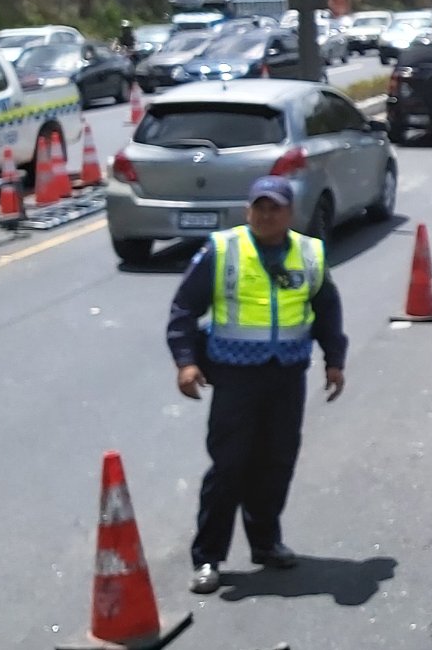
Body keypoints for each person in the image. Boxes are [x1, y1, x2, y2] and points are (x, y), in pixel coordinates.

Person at [166, 175, 347, 595]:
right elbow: (183, 310)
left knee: (276, 462)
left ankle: (266, 543)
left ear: (289, 212)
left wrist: (334, 360)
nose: (267, 215)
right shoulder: (223, 249)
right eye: (259, 207)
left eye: (276, 208)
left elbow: (326, 310)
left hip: (286, 374)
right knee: (229, 466)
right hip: (235, 376)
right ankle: (208, 558)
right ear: (249, 211)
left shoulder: (309, 252)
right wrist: (186, 362)